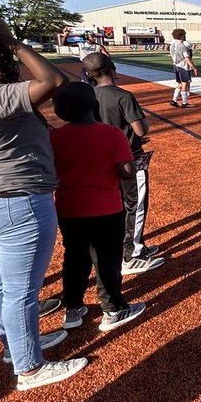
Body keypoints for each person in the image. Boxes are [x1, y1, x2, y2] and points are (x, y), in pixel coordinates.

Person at [0, 18, 87, 390]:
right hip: (18, 198)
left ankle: (15, 346)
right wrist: (13, 43)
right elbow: (56, 81)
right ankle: (29, 367)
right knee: (20, 292)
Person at [51, 82, 146, 333]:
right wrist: (133, 163)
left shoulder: (55, 137)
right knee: (106, 259)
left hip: (69, 208)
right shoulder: (112, 134)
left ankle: (73, 307)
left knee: (74, 257)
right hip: (106, 208)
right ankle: (112, 307)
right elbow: (126, 172)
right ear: (93, 106)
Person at [84, 53, 165, 275]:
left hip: (103, 159)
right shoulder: (123, 96)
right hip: (129, 159)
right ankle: (131, 254)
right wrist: (138, 131)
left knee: (118, 206)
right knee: (136, 205)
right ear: (112, 68)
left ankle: (134, 246)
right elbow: (141, 129)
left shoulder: (88, 96)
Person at [169, 27, 198, 107]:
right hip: (183, 66)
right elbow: (187, 58)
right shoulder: (182, 46)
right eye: (184, 35)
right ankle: (184, 103)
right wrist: (194, 68)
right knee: (184, 84)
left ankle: (174, 100)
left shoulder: (172, 45)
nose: (185, 36)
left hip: (175, 65)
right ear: (181, 35)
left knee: (180, 84)